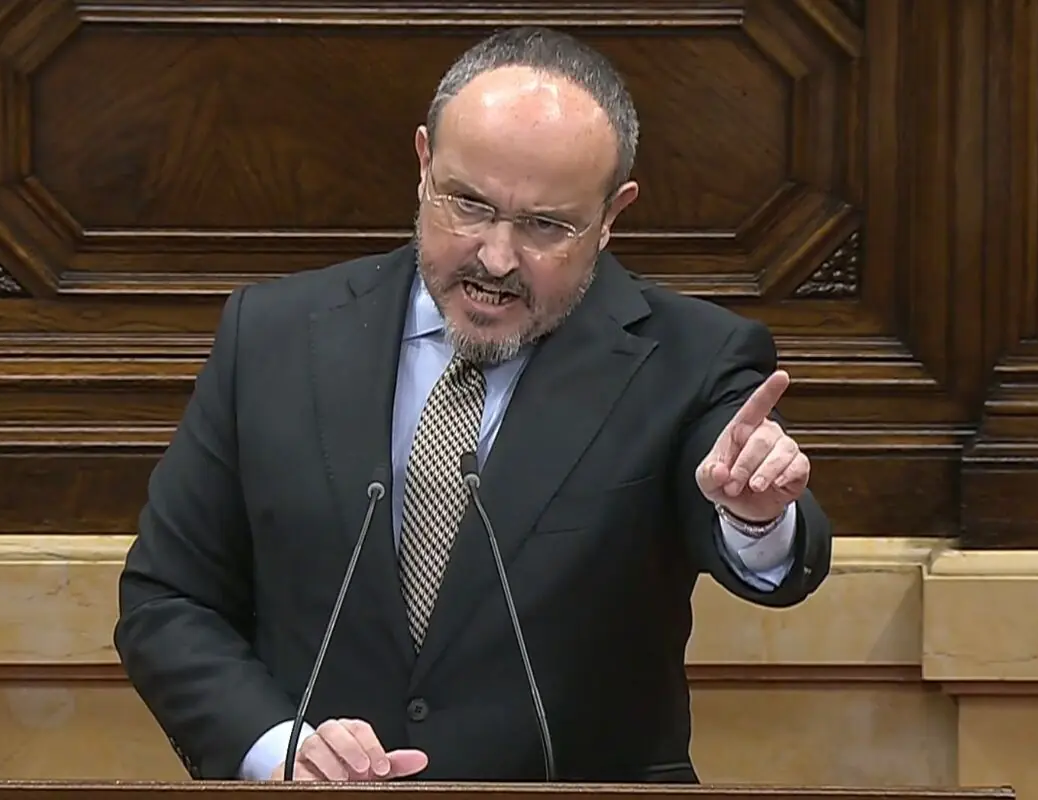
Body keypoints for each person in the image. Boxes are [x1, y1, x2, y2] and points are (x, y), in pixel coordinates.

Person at [114, 25, 832, 785]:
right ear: (424, 165)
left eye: (544, 226)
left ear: (612, 214)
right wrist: (276, 748)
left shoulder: (690, 358)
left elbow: (765, 548)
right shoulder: (274, 336)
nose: (495, 257)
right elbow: (169, 600)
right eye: (469, 205)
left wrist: (756, 516)